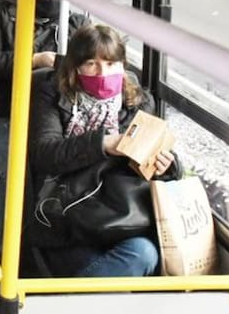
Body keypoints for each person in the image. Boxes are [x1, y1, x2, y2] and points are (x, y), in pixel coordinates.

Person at [26, 24, 175, 277]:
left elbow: (153, 152)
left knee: (144, 253)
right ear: (75, 67)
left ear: (122, 65)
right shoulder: (51, 95)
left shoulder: (138, 102)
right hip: (65, 216)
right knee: (111, 273)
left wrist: (167, 167)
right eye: (91, 64)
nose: (102, 72)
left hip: (121, 215)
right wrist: (103, 144)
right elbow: (44, 154)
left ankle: (72, 301)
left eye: (110, 64)